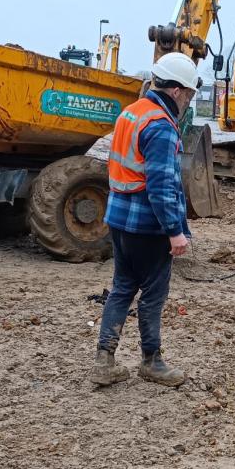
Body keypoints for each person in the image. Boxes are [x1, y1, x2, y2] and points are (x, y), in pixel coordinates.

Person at [91, 52, 200, 388]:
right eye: (190, 94)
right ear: (178, 91)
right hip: (147, 226)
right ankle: (151, 361)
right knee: (153, 295)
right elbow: (162, 186)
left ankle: (104, 361)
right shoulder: (162, 127)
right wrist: (175, 232)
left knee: (122, 287)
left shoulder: (131, 114)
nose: (188, 102)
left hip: (119, 218)